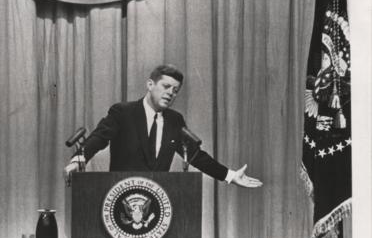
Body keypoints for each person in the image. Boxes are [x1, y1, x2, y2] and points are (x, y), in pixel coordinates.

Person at [64, 64, 262, 188]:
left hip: (158, 199)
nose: (170, 93)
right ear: (150, 85)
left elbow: (195, 156)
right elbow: (99, 138)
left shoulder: (175, 120)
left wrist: (231, 175)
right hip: (120, 195)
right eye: (166, 87)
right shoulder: (123, 112)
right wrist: (77, 159)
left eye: (175, 91)